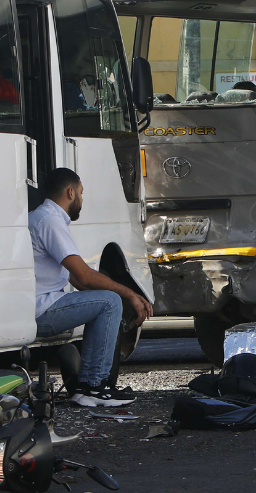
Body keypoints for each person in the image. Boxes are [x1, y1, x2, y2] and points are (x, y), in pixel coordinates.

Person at [30, 167, 154, 407]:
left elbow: (75, 278)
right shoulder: (50, 221)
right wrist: (129, 294)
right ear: (70, 192)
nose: (81, 199)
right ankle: (94, 386)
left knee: (106, 301)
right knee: (110, 302)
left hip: (39, 304)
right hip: (41, 309)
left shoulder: (41, 217)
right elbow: (84, 276)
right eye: (81, 193)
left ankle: (88, 387)